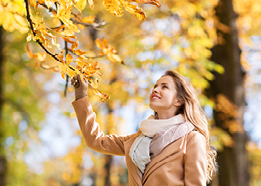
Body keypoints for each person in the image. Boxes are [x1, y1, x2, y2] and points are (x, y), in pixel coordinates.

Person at [71, 70, 216, 186]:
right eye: (155, 86)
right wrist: (81, 96)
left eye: (164, 86)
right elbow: (96, 141)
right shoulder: (139, 139)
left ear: (178, 100)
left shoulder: (192, 139)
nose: (156, 89)